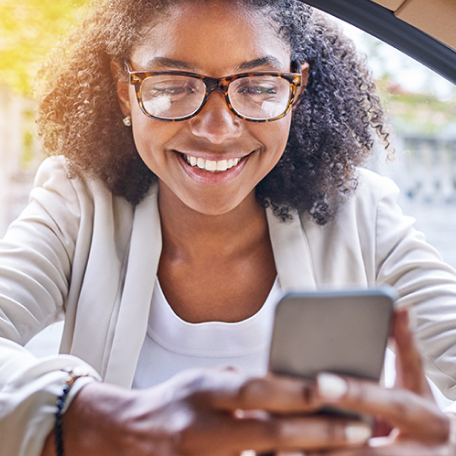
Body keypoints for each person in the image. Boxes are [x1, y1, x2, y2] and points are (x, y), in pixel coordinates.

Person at [1, 0, 456, 454]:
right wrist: (100, 418)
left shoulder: (361, 212)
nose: (218, 130)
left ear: (295, 91)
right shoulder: (78, 202)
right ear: (125, 90)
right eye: (174, 85)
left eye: (258, 86)